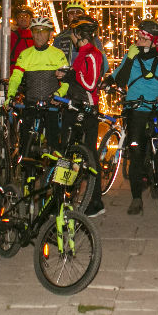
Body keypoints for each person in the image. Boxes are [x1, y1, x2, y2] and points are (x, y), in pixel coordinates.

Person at [109, 19, 158, 215]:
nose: (138, 41)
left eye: (143, 39)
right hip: (136, 110)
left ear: (154, 42)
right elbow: (119, 79)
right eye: (138, 37)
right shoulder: (132, 57)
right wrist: (128, 59)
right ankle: (136, 198)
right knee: (136, 154)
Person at [5, 15, 72, 155]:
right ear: (31, 33)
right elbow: (16, 77)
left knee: (53, 143)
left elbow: (66, 81)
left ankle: (50, 172)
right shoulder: (25, 54)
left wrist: (59, 95)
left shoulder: (58, 54)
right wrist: (10, 95)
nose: (39, 35)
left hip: (52, 103)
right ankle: (24, 169)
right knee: (25, 141)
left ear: (50, 34)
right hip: (30, 102)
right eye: (36, 31)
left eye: (43, 31)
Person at [66, 15, 108, 216]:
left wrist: (71, 74)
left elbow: (90, 83)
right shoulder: (82, 52)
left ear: (78, 34)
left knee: (89, 155)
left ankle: (95, 202)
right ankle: (65, 196)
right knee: (69, 151)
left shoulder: (92, 53)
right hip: (75, 107)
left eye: (72, 33)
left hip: (88, 110)